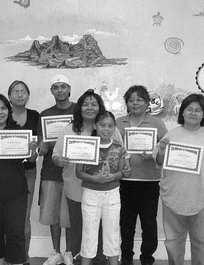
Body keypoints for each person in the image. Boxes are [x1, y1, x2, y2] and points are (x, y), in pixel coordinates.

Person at [154, 93, 204, 265]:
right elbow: (158, 161)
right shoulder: (171, 135)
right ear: (183, 112)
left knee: (202, 244)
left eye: (198, 110)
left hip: (202, 197)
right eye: (189, 109)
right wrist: (162, 152)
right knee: (173, 242)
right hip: (172, 196)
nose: (193, 113)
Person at [52, 89, 123, 264]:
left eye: (94, 104)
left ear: (100, 107)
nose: (90, 108)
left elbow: (120, 155)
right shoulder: (69, 129)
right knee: (80, 231)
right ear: (79, 108)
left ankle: (101, 261)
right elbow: (56, 154)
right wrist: (58, 160)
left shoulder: (109, 128)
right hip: (75, 189)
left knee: (104, 232)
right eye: (85, 104)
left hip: (105, 191)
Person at [0, 94, 37, 265]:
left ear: (9, 111)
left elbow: (31, 161)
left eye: (3, 108)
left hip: (16, 192)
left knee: (16, 234)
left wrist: (33, 151)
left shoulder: (19, 132)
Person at [116, 85, 168, 265]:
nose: (135, 103)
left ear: (147, 103)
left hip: (149, 181)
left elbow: (166, 149)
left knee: (148, 222)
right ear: (126, 103)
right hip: (123, 180)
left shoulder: (157, 123)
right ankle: (126, 257)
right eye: (131, 100)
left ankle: (147, 258)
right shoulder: (118, 122)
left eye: (139, 99)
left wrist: (153, 154)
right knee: (125, 223)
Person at [76, 111, 128, 265]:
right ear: (95, 126)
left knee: (112, 234)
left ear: (114, 128)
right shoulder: (86, 144)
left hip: (112, 195)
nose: (106, 129)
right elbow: (78, 172)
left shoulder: (119, 147)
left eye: (110, 126)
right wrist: (94, 179)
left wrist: (113, 176)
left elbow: (122, 172)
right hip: (91, 194)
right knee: (89, 234)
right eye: (102, 125)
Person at [37, 74, 75, 265]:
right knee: (52, 214)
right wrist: (42, 145)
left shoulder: (78, 110)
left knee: (68, 215)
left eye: (63, 86)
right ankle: (55, 252)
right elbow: (40, 143)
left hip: (73, 173)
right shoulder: (44, 115)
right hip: (50, 172)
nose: (60, 90)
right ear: (51, 90)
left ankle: (69, 252)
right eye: (56, 87)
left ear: (69, 89)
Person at [8, 80, 40, 265]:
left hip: (28, 171)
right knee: (6, 216)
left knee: (23, 217)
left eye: (23, 91)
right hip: (5, 172)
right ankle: (7, 257)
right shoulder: (2, 114)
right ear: (9, 96)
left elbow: (38, 146)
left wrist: (34, 152)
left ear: (28, 95)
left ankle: (23, 258)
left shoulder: (35, 116)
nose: (20, 94)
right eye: (15, 91)